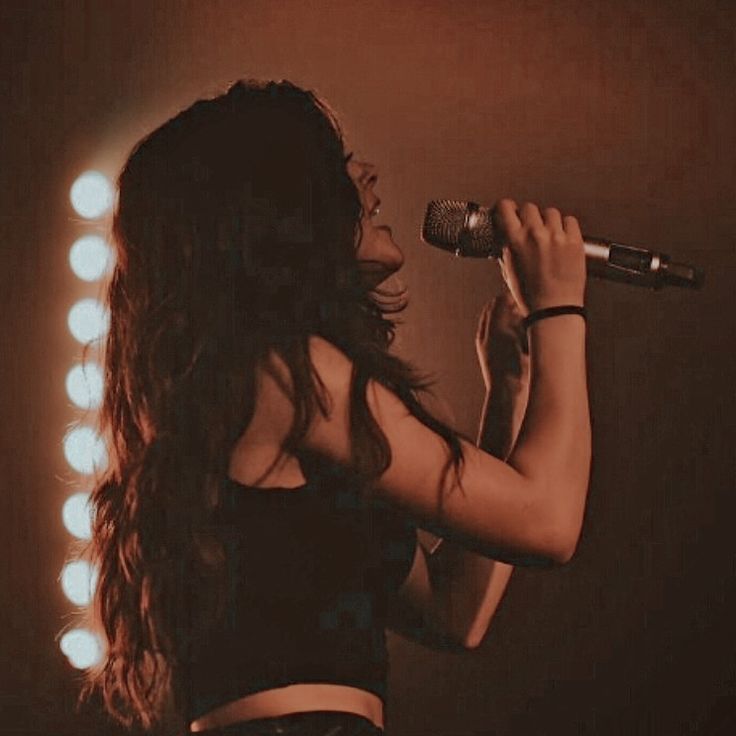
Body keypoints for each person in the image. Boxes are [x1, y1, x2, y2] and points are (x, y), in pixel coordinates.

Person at [76, 79, 591, 736]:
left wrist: (510, 395)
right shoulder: (283, 369)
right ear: (273, 210)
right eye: (333, 160)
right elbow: (548, 523)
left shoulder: (261, 392)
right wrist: (560, 308)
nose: (364, 173)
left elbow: (454, 611)